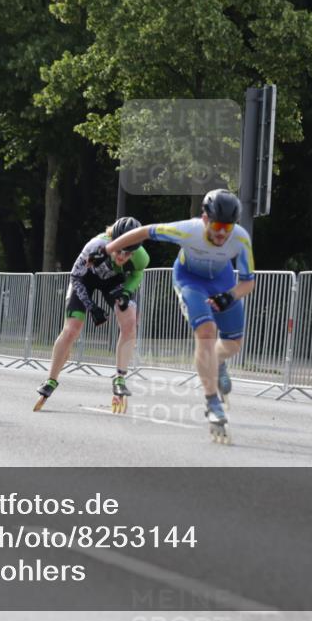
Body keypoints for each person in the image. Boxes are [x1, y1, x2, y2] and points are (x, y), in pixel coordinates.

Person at [103, 189, 255, 443]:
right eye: (217, 225)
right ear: (205, 219)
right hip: (190, 281)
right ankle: (212, 403)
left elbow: (249, 283)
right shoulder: (189, 230)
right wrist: (108, 248)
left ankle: (217, 362)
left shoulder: (240, 238)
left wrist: (229, 296)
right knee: (206, 333)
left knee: (233, 344)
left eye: (227, 227)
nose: (221, 233)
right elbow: (144, 232)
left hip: (223, 282)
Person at [34, 216, 149, 413]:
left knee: (130, 321)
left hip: (113, 282)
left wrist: (127, 292)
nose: (122, 256)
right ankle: (51, 379)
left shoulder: (141, 256)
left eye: (128, 253)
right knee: (72, 330)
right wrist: (92, 307)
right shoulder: (95, 246)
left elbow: (137, 274)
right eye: (119, 250)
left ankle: (120, 377)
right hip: (85, 280)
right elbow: (76, 278)